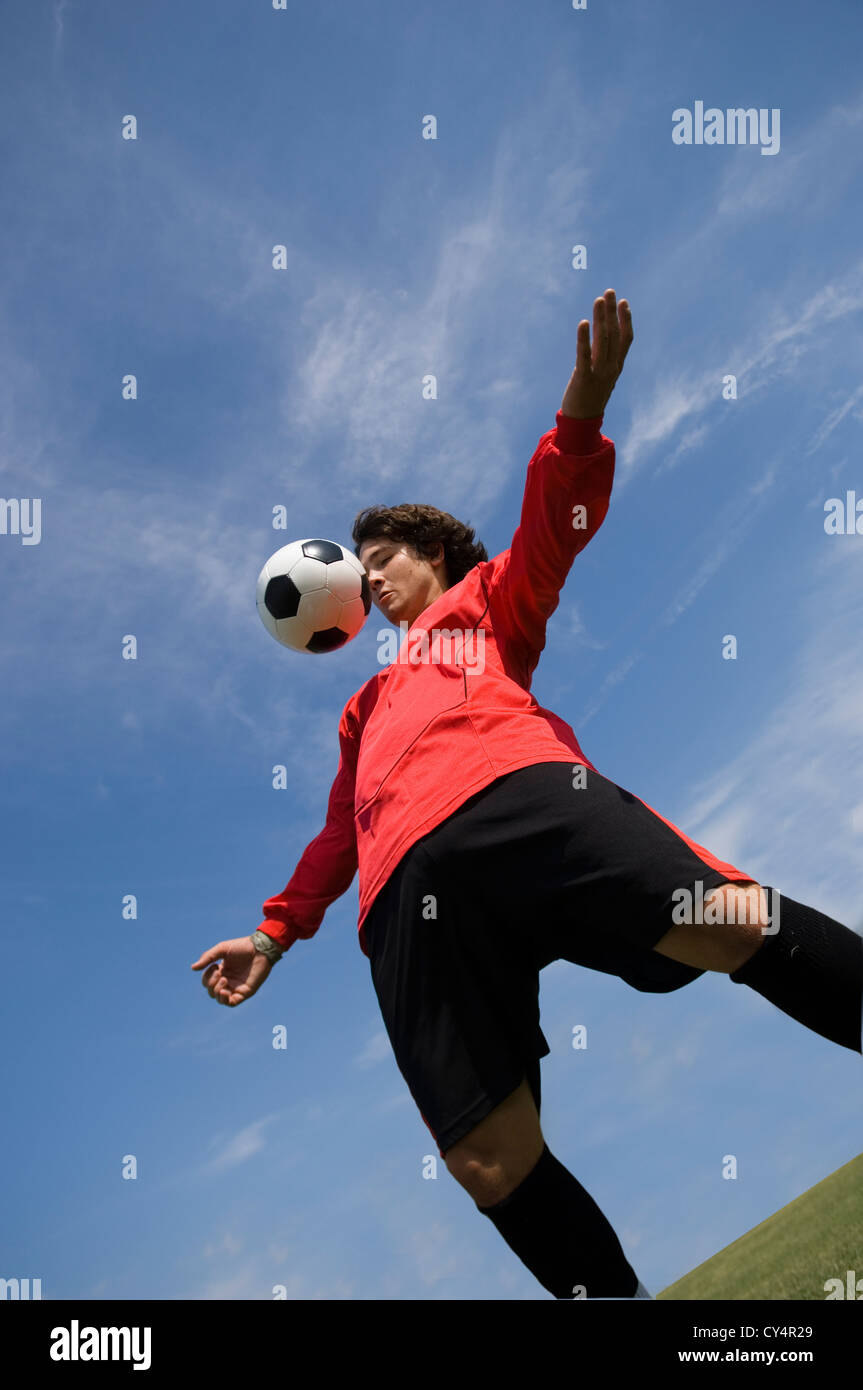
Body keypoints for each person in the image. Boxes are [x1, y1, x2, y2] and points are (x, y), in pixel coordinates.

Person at [191, 289, 863, 1301]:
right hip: (403, 904)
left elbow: (554, 525)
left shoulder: (485, 603)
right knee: (486, 1158)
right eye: (360, 569)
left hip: (519, 800)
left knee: (726, 923)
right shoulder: (360, 711)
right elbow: (336, 833)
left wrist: (578, 422)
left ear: (437, 561)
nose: (370, 579)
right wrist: (275, 931)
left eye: (385, 561)